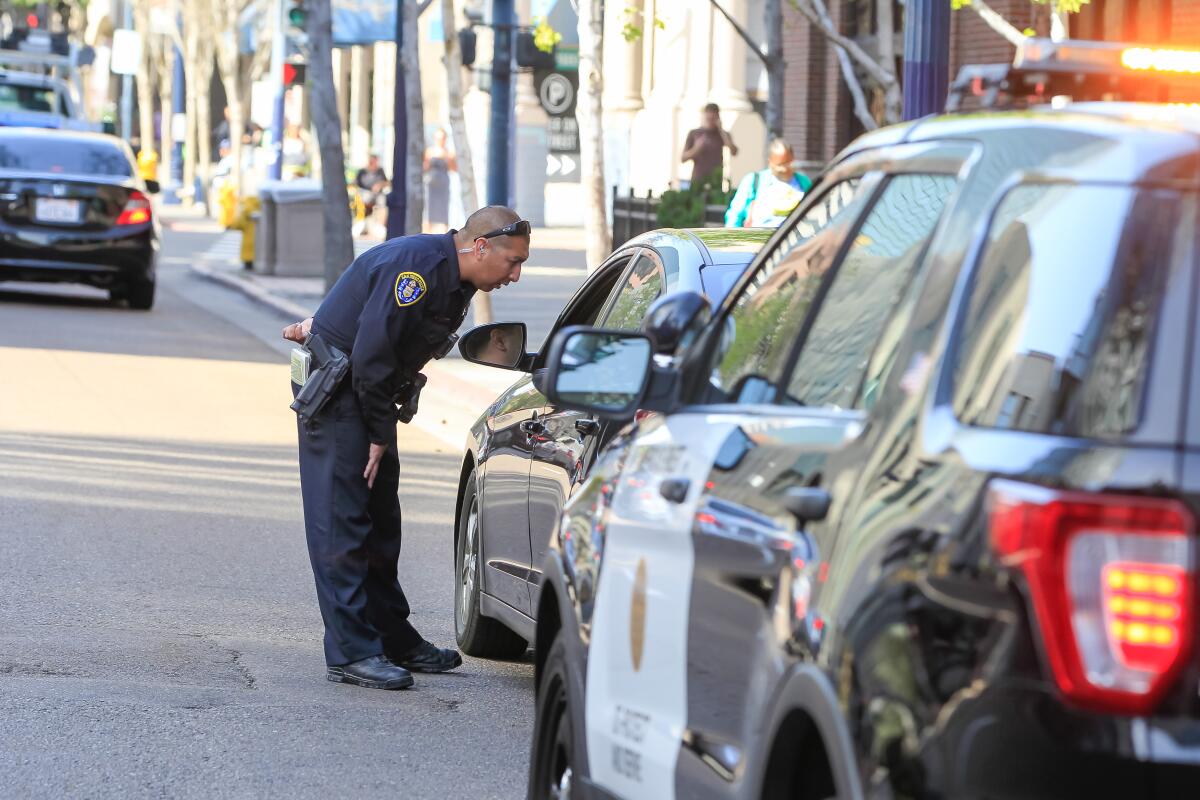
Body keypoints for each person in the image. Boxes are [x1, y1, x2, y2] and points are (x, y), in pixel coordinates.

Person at [282, 206, 530, 690]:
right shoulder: (416, 271)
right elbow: (371, 359)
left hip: (367, 395)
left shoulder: (455, 277)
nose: (516, 275)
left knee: (380, 525)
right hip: (343, 396)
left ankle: (393, 638)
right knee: (343, 525)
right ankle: (352, 653)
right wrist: (377, 435)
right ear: (480, 247)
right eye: (512, 262)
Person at [725, 139, 814, 228]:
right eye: (780, 165)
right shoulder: (754, 181)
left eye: (788, 163)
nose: (785, 169)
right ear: (770, 162)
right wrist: (731, 238)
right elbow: (735, 214)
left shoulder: (803, 182)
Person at [681, 102, 738, 188]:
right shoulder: (695, 133)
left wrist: (721, 130)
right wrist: (696, 149)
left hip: (715, 180)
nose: (711, 120)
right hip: (698, 179)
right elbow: (683, 158)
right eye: (709, 118)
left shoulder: (723, 134)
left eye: (713, 118)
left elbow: (734, 151)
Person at [423, 129, 456, 233]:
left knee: (443, 210)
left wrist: (447, 158)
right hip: (431, 184)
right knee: (428, 211)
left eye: (442, 138)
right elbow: (424, 167)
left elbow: (454, 168)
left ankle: (444, 234)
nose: (440, 141)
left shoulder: (449, 152)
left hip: (443, 184)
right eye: (437, 138)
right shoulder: (429, 151)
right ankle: (426, 234)